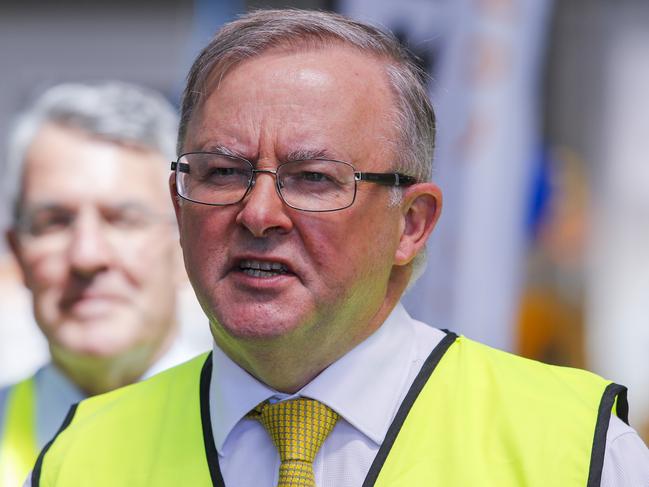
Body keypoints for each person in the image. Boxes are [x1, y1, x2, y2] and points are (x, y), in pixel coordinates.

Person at [28, 10, 649, 487]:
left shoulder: (578, 450)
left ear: (412, 224)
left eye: (314, 179)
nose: (260, 213)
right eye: (221, 172)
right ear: (177, 200)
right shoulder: (80, 457)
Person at [0, 81, 204, 486]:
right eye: (54, 222)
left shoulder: (265, 441)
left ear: (187, 242)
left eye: (123, 220)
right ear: (17, 251)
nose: (87, 256)